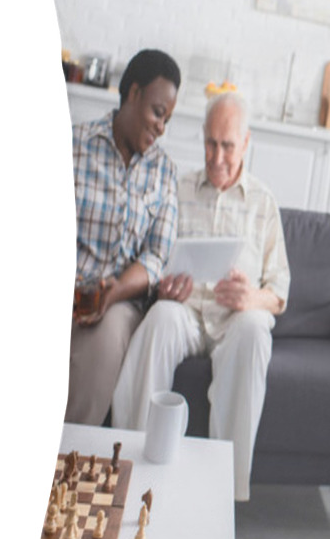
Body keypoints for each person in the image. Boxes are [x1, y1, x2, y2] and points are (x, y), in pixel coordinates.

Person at [112, 91, 290, 502]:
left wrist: (252, 298)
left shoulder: (263, 202)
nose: (217, 156)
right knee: (159, 319)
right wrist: (163, 288)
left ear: (246, 144)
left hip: (236, 319)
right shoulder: (178, 187)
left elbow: (280, 292)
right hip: (187, 312)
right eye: (211, 143)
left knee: (254, 332)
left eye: (227, 145)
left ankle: (224, 490)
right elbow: (154, 259)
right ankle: (133, 464)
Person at [66, 48, 181, 426]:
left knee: (106, 334)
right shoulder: (74, 145)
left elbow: (155, 257)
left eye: (167, 119)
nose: (161, 127)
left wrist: (108, 294)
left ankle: (66, 462)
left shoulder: (164, 173)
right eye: (158, 112)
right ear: (133, 94)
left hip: (118, 301)